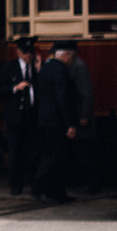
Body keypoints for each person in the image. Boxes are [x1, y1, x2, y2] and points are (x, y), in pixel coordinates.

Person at [33, 44, 79, 203]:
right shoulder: (61, 71)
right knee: (56, 156)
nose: (72, 61)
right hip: (57, 120)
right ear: (66, 55)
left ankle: (56, 192)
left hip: (44, 119)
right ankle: (41, 187)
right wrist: (70, 124)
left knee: (50, 154)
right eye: (72, 57)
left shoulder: (45, 68)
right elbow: (63, 98)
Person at [0, 36, 40, 195]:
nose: (28, 55)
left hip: (32, 115)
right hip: (16, 116)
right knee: (15, 151)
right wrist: (15, 88)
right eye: (25, 52)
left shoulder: (34, 67)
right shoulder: (9, 67)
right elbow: (0, 89)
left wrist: (39, 68)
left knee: (33, 151)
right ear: (18, 52)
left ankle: (35, 183)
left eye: (31, 52)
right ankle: (15, 183)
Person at [61, 40, 95, 189]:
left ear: (69, 54)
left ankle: (91, 183)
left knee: (84, 152)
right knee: (80, 151)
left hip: (81, 116)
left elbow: (86, 93)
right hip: (78, 114)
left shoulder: (79, 67)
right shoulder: (75, 65)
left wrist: (84, 115)